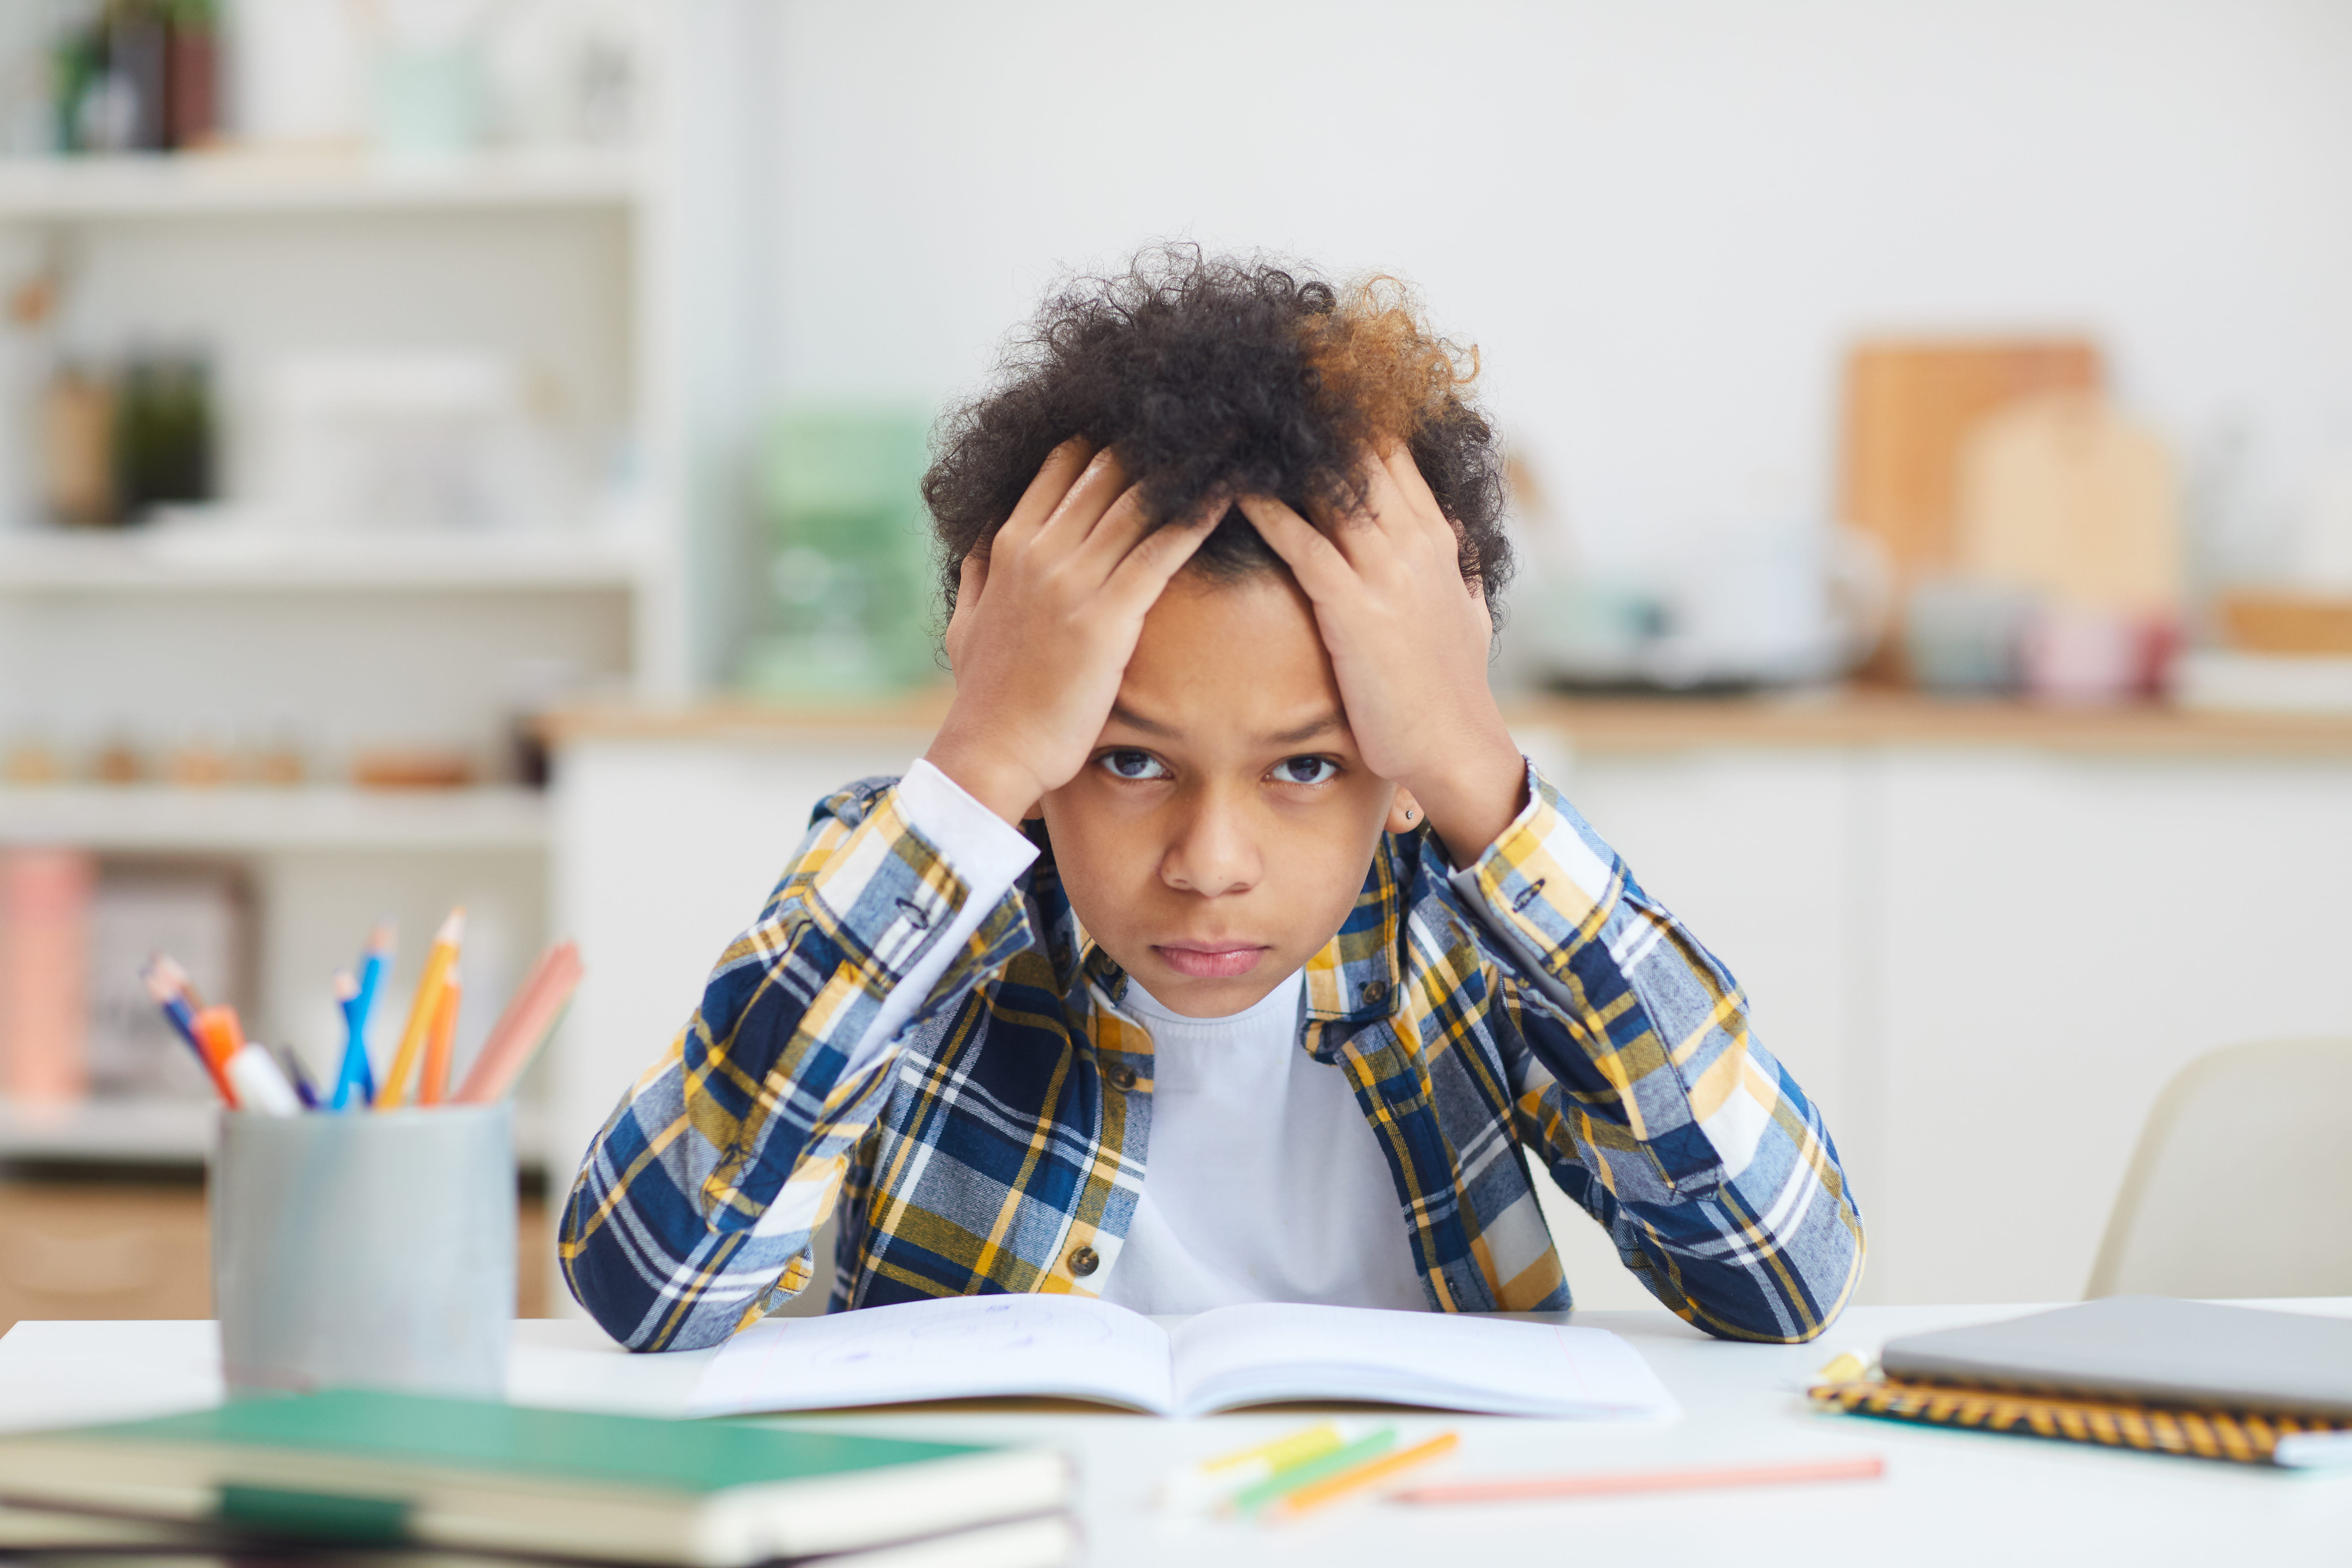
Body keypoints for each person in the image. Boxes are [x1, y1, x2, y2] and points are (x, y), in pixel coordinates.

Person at [560, 250, 1864, 1351]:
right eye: (1130, 760)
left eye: (1307, 767)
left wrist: (1473, 768)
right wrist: (980, 763)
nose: (1212, 863)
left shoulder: (1462, 930)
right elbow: (651, 1287)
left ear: (1399, 773)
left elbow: (1780, 1273)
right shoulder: (917, 888)